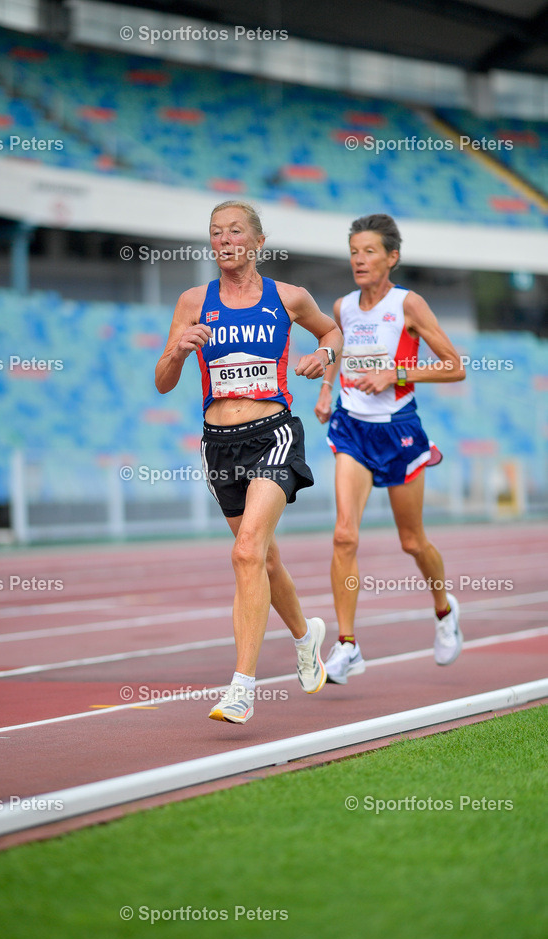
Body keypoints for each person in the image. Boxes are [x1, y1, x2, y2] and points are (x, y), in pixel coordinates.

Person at [155, 200, 343, 724]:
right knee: (265, 560)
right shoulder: (194, 301)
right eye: (216, 232)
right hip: (218, 442)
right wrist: (176, 352)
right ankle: (306, 639)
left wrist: (323, 358)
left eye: (235, 231)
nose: (225, 240)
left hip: (273, 433)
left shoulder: (290, 297)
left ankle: (242, 687)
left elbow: (332, 333)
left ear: (258, 242)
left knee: (244, 554)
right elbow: (163, 380)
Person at [315, 213, 465, 685]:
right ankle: (346, 646)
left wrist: (395, 375)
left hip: (399, 430)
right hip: (352, 428)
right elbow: (336, 351)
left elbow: (454, 367)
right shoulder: (342, 308)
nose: (359, 259)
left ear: (391, 257)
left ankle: (444, 610)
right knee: (344, 535)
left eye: (369, 252)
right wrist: (325, 389)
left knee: (412, 541)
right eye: (354, 252)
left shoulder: (409, 305)